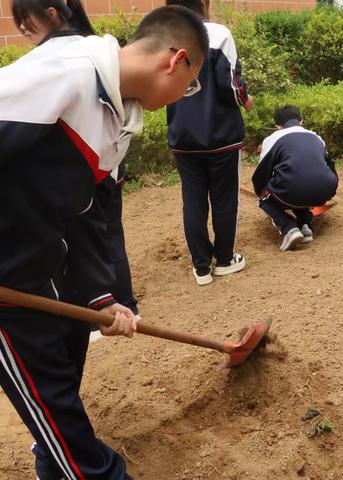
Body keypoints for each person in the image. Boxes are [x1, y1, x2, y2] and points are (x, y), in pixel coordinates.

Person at [0, 6, 208, 479]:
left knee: (64, 376)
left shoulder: (120, 118)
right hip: (9, 274)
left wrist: (103, 296)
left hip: (52, 264)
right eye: (190, 85)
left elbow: (92, 215)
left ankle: (53, 465)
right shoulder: (69, 72)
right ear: (176, 62)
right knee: (55, 403)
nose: (184, 96)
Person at [13, 0, 140, 320]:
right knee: (106, 230)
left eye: (27, 22)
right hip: (105, 160)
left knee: (93, 229)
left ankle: (104, 304)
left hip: (87, 164)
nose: (24, 31)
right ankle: (117, 303)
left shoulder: (61, 62)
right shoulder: (95, 51)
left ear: (52, 14)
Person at [165, 0, 253, 286]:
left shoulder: (164, 37)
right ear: (203, 3)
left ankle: (201, 267)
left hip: (183, 135)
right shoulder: (218, 34)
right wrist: (245, 98)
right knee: (224, 197)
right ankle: (225, 260)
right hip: (220, 134)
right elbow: (230, 84)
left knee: (193, 199)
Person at [252, 105, 338, 252]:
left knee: (268, 197)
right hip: (325, 189)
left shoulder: (272, 139)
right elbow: (329, 165)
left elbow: (261, 174)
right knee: (300, 184)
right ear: (301, 120)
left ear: (277, 125)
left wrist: (262, 192)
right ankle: (305, 224)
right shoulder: (316, 137)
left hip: (293, 189)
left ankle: (289, 228)